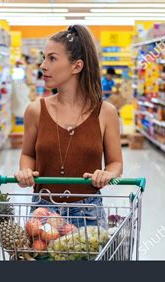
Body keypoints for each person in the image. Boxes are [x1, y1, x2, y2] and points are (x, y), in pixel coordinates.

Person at [14, 25, 123, 228]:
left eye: (52, 58)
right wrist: (25, 172)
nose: (43, 66)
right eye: (43, 57)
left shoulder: (105, 112)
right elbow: (28, 154)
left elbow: (116, 163)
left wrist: (108, 174)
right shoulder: (35, 110)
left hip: (88, 214)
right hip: (43, 213)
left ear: (76, 66)